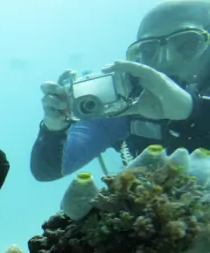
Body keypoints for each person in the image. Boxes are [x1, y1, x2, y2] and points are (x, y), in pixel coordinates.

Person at [30, 0, 210, 182]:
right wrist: (55, 128)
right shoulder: (125, 103)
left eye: (187, 43)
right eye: (149, 49)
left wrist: (193, 110)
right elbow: (49, 170)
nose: (166, 60)